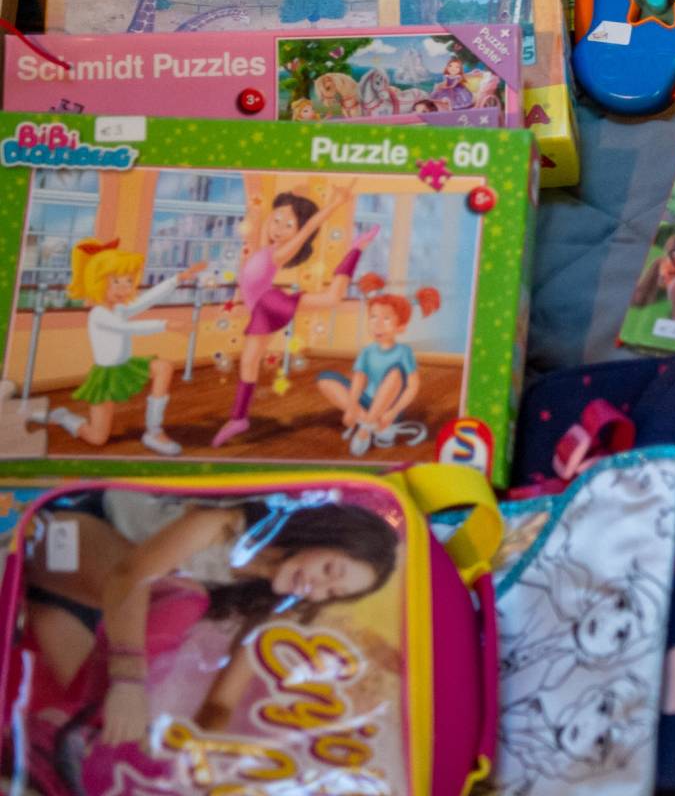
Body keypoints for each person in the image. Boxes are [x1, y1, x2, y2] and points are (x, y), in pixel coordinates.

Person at [19, 491, 400, 789]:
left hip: (71, 611)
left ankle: (56, 746)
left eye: (333, 593)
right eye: (330, 569)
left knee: (97, 744)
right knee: (186, 601)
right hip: (66, 538)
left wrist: (196, 755)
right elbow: (129, 576)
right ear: (323, 537)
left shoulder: (274, 604)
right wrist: (128, 679)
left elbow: (221, 701)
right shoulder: (221, 524)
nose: (318, 588)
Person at [215, 182, 376, 448]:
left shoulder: (280, 251)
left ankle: (239, 418)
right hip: (264, 306)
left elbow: (311, 226)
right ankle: (356, 250)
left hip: (268, 305)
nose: (278, 228)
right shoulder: (264, 247)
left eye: (288, 226)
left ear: (296, 233)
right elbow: (248, 281)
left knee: (249, 362)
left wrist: (336, 203)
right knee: (330, 299)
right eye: (276, 219)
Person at [34, 240, 204, 456]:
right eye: (116, 281)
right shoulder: (99, 314)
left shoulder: (120, 308)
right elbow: (125, 328)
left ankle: (154, 431)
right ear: (97, 282)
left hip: (126, 366)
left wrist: (177, 279)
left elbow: (147, 299)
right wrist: (166, 324)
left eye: (129, 281)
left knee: (163, 367)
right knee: (97, 438)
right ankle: (64, 417)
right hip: (106, 376)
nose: (125, 287)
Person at [315, 281, 438, 456]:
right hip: (366, 403)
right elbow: (359, 379)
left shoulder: (404, 352)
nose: (377, 324)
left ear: (401, 327)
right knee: (325, 378)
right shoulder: (367, 351)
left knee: (395, 373)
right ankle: (371, 423)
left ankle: (365, 429)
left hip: (390, 408)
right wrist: (351, 407)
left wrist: (393, 412)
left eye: (386, 319)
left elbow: (412, 386)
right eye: (373, 317)